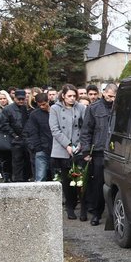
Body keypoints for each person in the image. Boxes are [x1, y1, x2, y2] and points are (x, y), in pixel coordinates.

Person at [80, 83, 116, 226]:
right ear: (104, 93)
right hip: (99, 151)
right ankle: (96, 213)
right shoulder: (93, 108)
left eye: (114, 97)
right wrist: (86, 151)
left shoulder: (119, 107)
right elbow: (86, 131)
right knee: (98, 184)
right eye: (110, 96)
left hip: (114, 151)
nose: (112, 99)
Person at [50, 84, 86, 220]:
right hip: (63, 149)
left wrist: (81, 144)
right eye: (69, 96)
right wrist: (67, 145)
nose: (72, 98)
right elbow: (55, 129)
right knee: (67, 180)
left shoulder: (81, 108)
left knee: (81, 180)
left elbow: (85, 127)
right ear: (63, 96)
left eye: (74, 96)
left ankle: (83, 207)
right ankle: (70, 207)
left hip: (79, 148)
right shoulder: (55, 109)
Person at [3, 88, 32, 182]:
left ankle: (25, 178)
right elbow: (5, 124)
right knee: (17, 160)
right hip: (15, 139)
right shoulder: (8, 109)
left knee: (27, 159)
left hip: (25, 137)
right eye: (19, 99)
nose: (21, 101)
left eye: (22, 99)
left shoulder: (25, 108)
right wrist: (14, 135)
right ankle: (18, 180)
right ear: (14, 98)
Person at [23, 93, 53, 181]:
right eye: (40, 105)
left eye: (44, 104)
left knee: (57, 176)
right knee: (40, 177)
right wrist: (36, 148)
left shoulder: (56, 111)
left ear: (48, 101)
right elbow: (32, 132)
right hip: (41, 148)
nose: (42, 107)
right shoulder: (34, 114)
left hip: (55, 148)